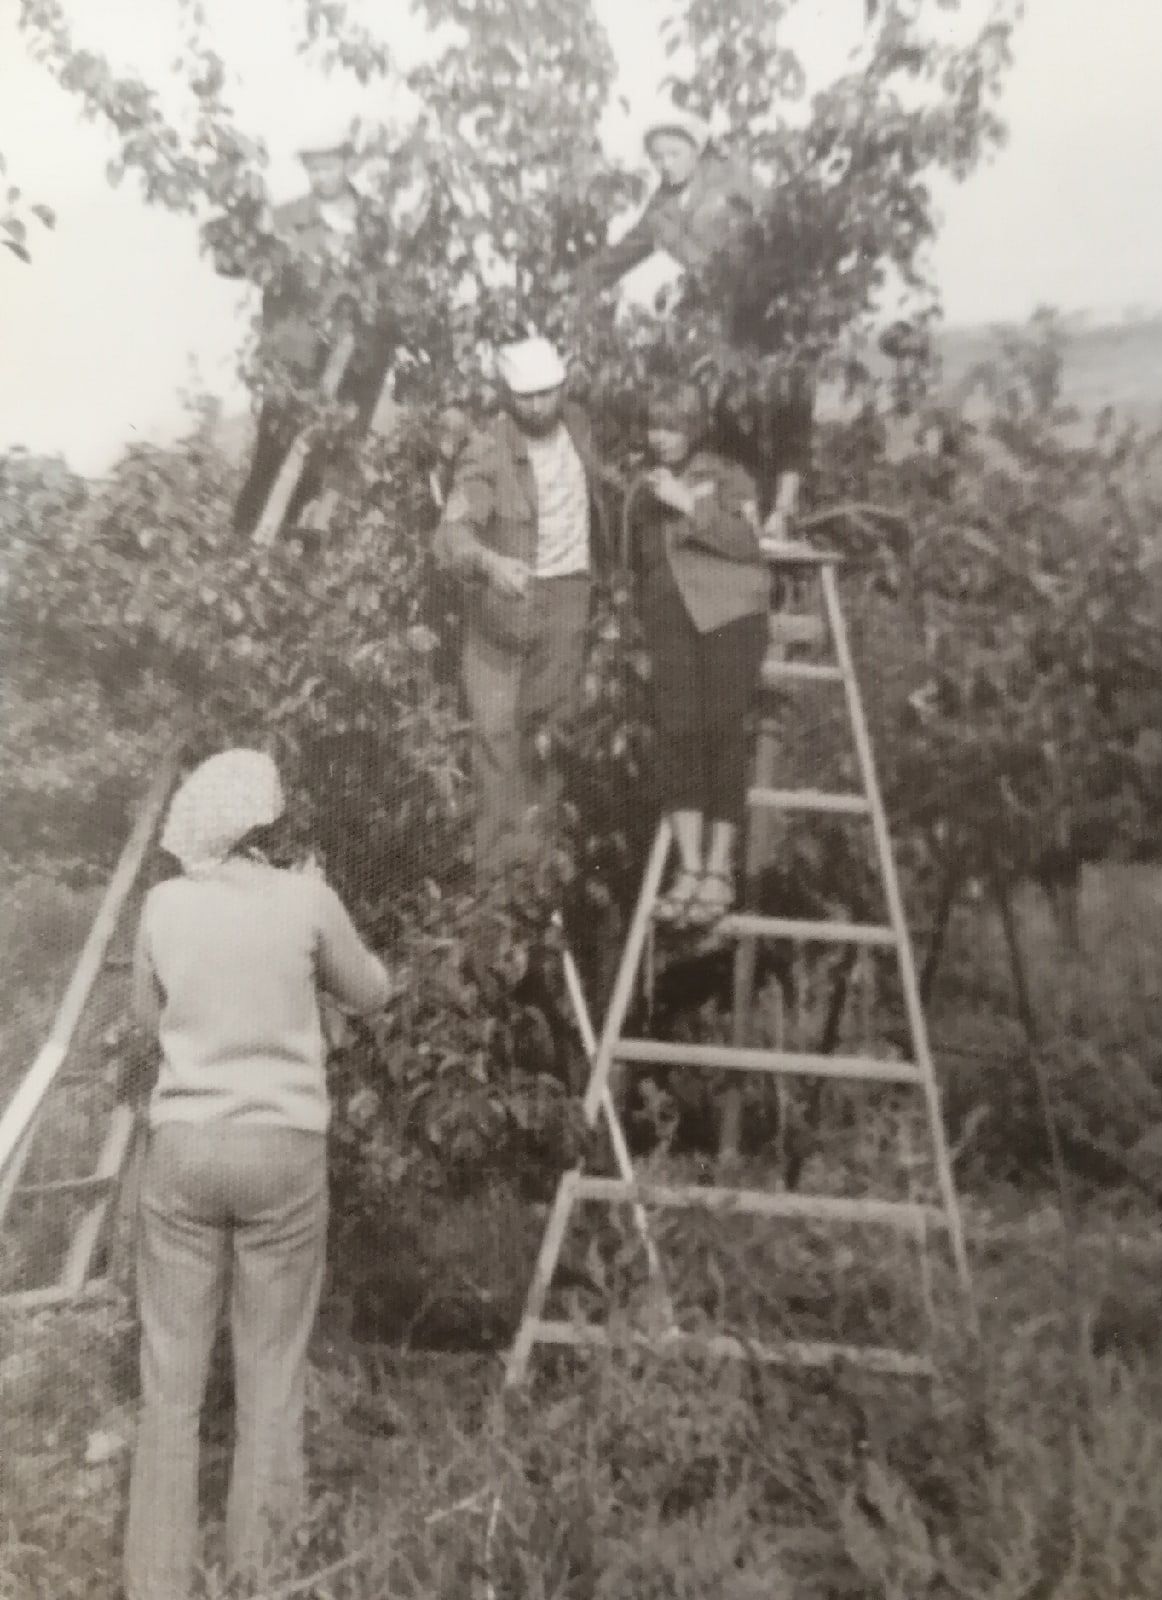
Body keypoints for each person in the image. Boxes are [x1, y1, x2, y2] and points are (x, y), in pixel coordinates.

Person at [123, 749, 391, 1600]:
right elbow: (374, 992)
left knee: (170, 1377)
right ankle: (261, 1577)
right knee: (270, 1373)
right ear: (269, 827)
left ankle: (156, 1583)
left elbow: (145, 1022)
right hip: (281, 1146)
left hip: (185, 1145)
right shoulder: (306, 900)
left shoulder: (164, 904)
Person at [577, 100, 808, 538]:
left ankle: (785, 508)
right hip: (719, 327)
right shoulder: (661, 207)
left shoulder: (734, 183)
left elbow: (783, 232)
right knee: (725, 415)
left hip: (766, 313)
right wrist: (575, 286)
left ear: (697, 151)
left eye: (674, 154)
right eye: (658, 157)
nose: (666, 165)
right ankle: (742, 515)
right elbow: (623, 253)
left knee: (787, 406)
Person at [433, 336, 604, 892]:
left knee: (549, 738)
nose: (537, 406)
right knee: (495, 742)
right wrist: (487, 562)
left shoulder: (582, 429)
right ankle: (496, 885)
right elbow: (451, 533)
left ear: (564, 386)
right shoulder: (488, 450)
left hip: (568, 599)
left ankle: (539, 874)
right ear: (508, 395)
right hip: (505, 605)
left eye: (547, 393)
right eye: (525, 396)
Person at [207, 122, 401, 536]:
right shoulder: (286, 219)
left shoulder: (374, 222)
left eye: (328, 167)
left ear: (346, 164)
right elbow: (230, 264)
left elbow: (392, 288)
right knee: (274, 454)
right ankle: (248, 547)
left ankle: (310, 552)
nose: (321, 177)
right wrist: (241, 220)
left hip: (355, 364)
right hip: (294, 359)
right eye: (313, 169)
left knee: (333, 462)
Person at [629, 382, 769, 925]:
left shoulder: (727, 476)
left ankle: (718, 870)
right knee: (678, 733)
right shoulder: (643, 486)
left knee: (722, 732)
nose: (659, 437)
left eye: (671, 427)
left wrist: (688, 503)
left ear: (693, 429)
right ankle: (688, 869)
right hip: (671, 621)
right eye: (654, 426)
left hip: (730, 617)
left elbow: (745, 543)